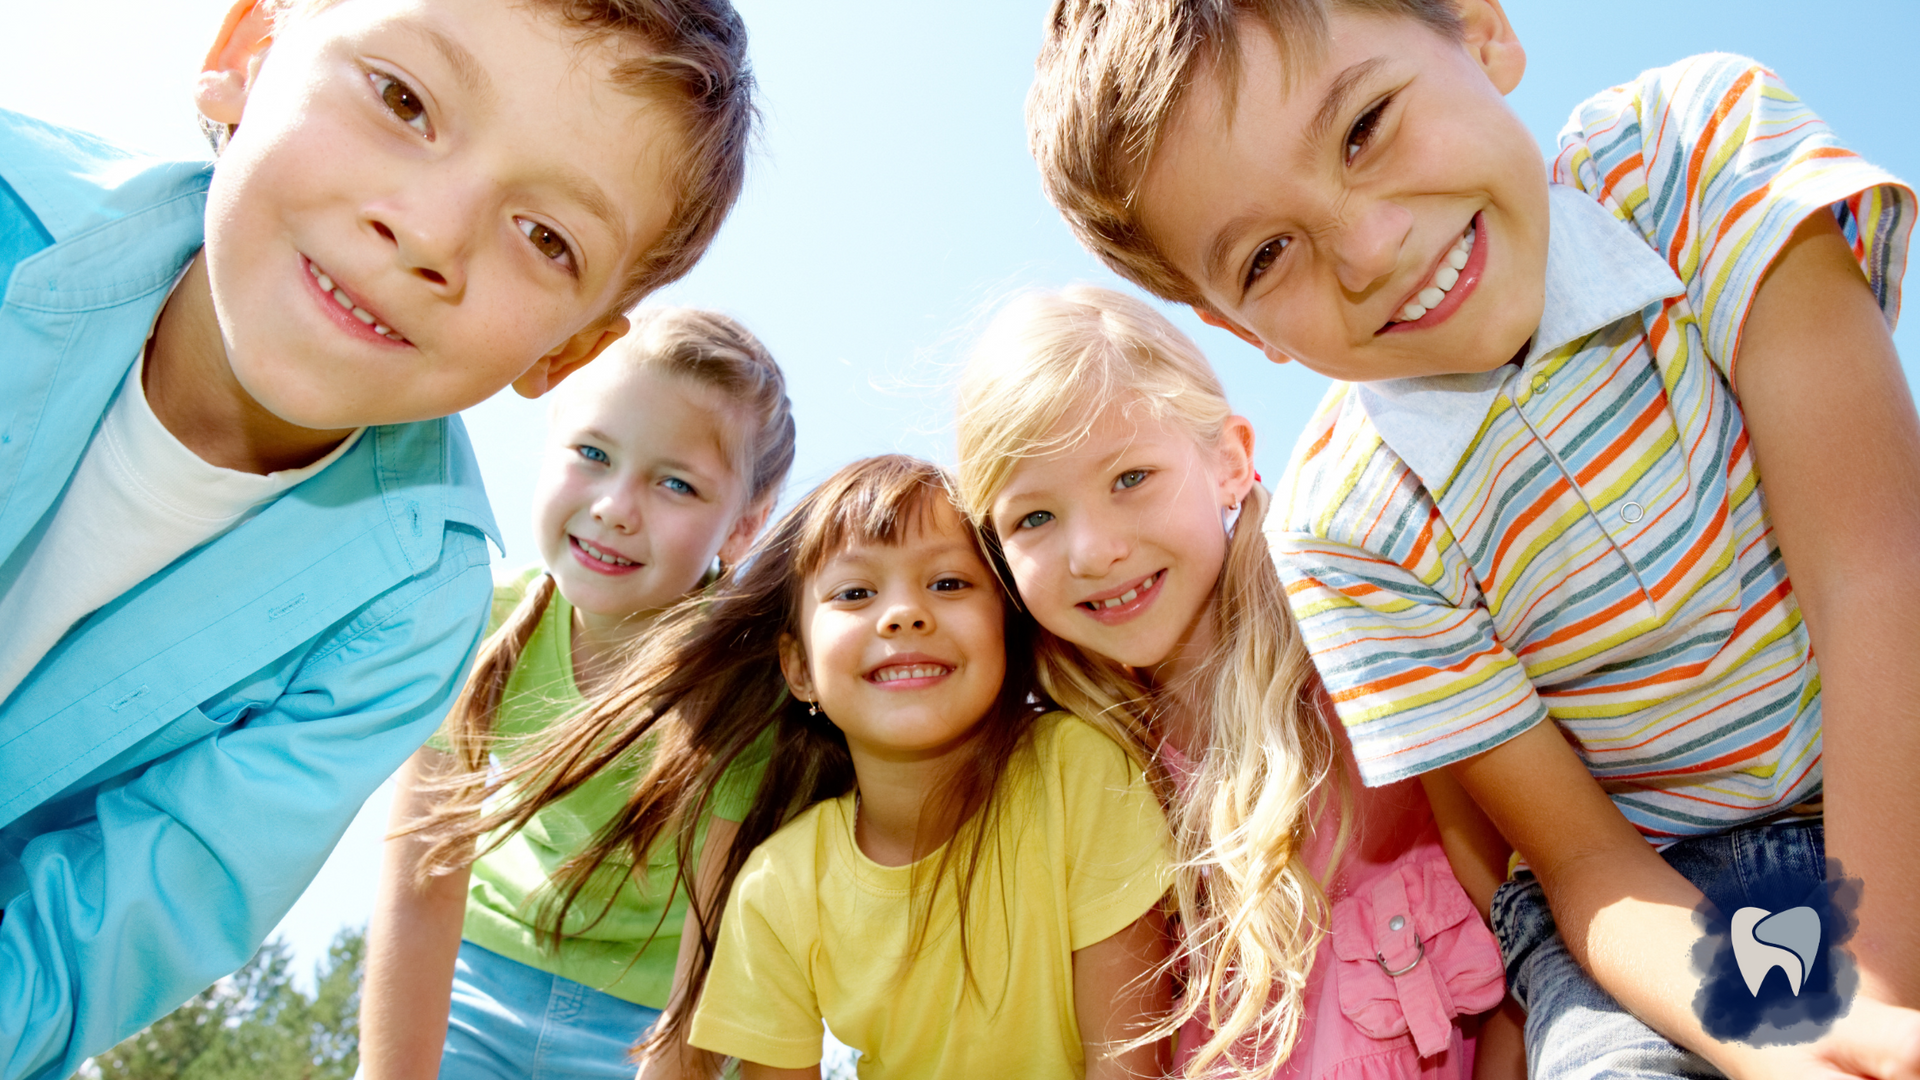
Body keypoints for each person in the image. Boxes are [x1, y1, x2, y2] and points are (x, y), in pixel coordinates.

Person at [1026, 0, 1920, 1076]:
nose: (1369, 248)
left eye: (1364, 127)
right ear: (1236, 328)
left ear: (1480, 28)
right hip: (1655, 897)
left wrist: (1858, 999)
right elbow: (1585, 861)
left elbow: (1875, 574)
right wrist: (1784, 1030)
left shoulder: (1689, 150)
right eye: (1267, 255)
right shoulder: (1344, 528)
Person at [0, 0, 756, 1075]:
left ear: (566, 351)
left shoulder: (407, 612)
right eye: (403, 100)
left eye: (545, 238)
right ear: (244, 56)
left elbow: (93, 943)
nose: (432, 232)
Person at [427, 455, 1175, 1079]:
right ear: (799, 670)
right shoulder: (777, 887)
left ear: (1008, 630)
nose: (904, 614)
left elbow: (1130, 1060)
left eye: (948, 584)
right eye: (855, 592)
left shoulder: (1080, 773)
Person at [955, 285, 1514, 1080]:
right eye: (1034, 519)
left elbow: (1525, 921)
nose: (1092, 549)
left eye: (1129, 478)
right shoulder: (1083, 762)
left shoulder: (1357, 644)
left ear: (1229, 461)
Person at [355, 308, 793, 1080]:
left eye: (676, 483)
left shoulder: (746, 698)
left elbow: (708, 975)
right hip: (468, 980)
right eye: (593, 453)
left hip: (643, 1031)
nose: (617, 506)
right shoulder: (476, 621)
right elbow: (422, 880)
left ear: (743, 526)